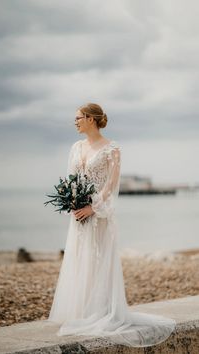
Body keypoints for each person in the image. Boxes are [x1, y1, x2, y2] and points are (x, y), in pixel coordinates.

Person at [42, 103, 176, 347]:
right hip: (79, 213)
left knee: (99, 259)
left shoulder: (112, 149)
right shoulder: (76, 147)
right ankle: (81, 311)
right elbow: (72, 180)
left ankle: (102, 311)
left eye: (78, 118)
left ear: (91, 119)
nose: (75, 122)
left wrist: (93, 207)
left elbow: (111, 186)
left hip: (99, 214)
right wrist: (73, 203)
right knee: (80, 258)